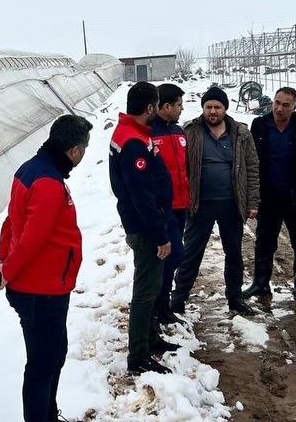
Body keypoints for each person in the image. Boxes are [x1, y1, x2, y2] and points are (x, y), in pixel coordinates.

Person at [0, 114, 94, 422]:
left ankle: (48, 421)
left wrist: (2, 260)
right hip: (40, 288)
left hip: (46, 284)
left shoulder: (30, 170)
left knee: (54, 353)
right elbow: (32, 238)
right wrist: (7, 270)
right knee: (43, 361)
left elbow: (11, 222)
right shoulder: (48, 182)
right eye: (83, 150)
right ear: (74, 150)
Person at [170, 86, 260, 317]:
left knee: (234, 253)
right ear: (203, 108)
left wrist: (252, 201)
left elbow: (252, 167)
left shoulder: (240, 133)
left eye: (217, 107)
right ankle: (178, 299)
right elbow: (179, 168)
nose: (212, 111)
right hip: (200, 204)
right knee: (191, 253)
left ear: (225, 109)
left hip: (232, 203)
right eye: (208, 106)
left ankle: (235, 298)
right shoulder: (190, 131)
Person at [109, 82, 175, 376]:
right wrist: (159, 234)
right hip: (146, 227)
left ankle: (150, 337)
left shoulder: (131, 134)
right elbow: (142, 195)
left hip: (146, 222)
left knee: (152, 283)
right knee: (146, 289)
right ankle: (138, 354)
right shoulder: (133, 141)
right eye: (156, 106)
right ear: (150, 108)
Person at [246, 86, 296, 305]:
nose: (279, 108)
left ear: (294, 107)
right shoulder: (260, 125)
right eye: (277, 102)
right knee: (264, 241)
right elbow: (252, 161)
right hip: (269, 195)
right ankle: (261, 282)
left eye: (286, 105)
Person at [150, 83, 189, 326]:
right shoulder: (149, 134)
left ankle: (161, 307)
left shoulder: (178, 131)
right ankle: (157, 304)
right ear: (165, 106)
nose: (181, 109)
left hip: (181, 205)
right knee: (173, 256)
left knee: (171, 257)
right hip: (163, 208)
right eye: (178, 105)